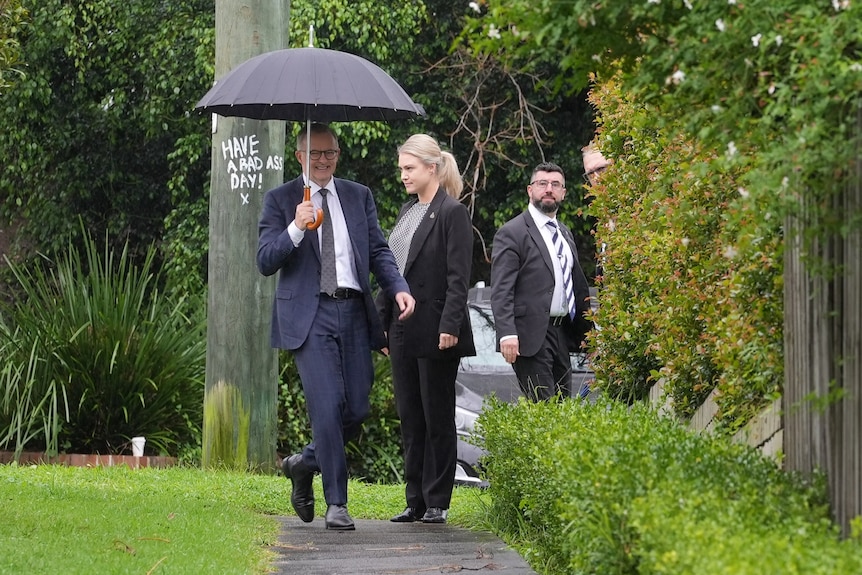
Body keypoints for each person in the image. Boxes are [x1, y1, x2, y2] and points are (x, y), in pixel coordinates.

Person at [257, 122, 416, 531]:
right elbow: (265, 260)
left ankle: (302, 463)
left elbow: (379, 250)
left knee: (357, 408)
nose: (324, 160)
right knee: (326, 409)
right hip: (309, 317)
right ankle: (337, 503)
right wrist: (296, 227)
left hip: (353, 312)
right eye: (315, 154)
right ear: (299, 158)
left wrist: (397, 287)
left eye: (330, 153)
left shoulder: (358, 196)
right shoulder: (281, 199)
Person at [376, 134, 475, 525]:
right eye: (402, 168)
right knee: (410, 417)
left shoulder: (452, 212)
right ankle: (414, 499)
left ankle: (437, 500)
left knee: (436, 416)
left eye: (409, 168)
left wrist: (450, 324)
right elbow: (392, 270)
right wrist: (381, 327)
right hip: (402, 328)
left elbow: (458, 276)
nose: (403, 175)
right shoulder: (406, 210)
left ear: (431, 168)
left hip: (436, 329)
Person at [490, 162, 592, 401]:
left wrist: (590, 337)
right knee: (544, 408)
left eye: (555, 184)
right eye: (542, 184)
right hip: (529, 336)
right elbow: (501, 289)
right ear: (530, 190)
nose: (549, 189)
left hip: (561, 333)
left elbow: (577, 287)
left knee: (562, 408)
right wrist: (506, 333)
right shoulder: (512, 232)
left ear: (563, 193)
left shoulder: (565, 233)